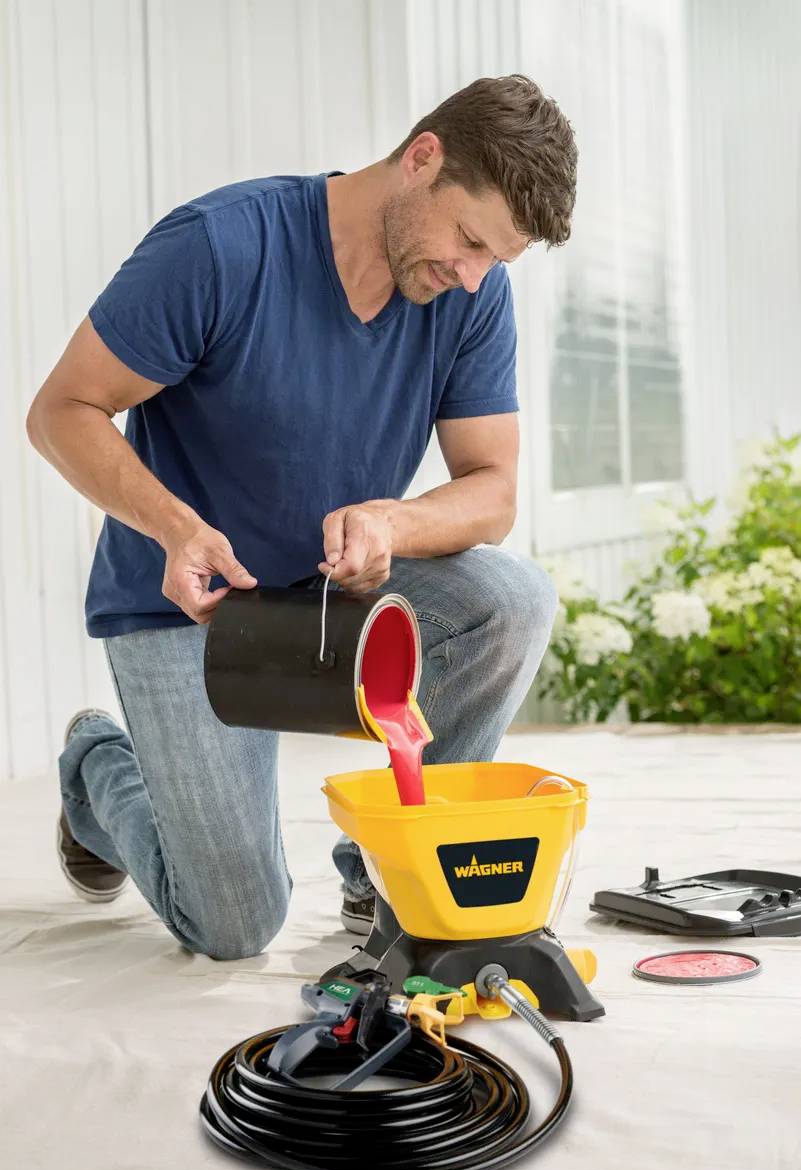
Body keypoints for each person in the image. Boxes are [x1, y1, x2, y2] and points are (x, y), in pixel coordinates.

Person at [26, 74, 576, 959]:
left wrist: (391, 526)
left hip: (329, 591)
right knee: (234, 926)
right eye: (469, 239)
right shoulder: (220, 246)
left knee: (509, 601)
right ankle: (99, 770)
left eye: (494, 262)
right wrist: (174, 526)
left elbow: (492, 489)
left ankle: (389, 867)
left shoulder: (468, 295)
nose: (472, 276)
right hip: (193, 599)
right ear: (420, 159)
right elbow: (61, 412)